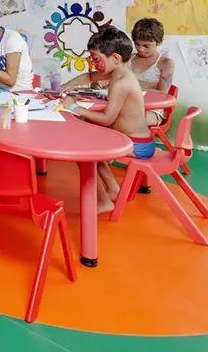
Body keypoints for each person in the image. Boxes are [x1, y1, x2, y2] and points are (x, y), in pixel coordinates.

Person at [62, 28, 150, 214]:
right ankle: (113, 189)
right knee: (86, 139)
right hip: (133, 139)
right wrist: (65, 87)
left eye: (96, 59)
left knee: (84, 151)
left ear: (115, 58)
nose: (94, 64)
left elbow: (107, 119)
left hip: (136, 145)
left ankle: (104, 201)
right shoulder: (117, 73)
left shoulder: (121, 83)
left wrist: (74, 107)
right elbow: (88, 76)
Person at [130, 18, 175, 126]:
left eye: (146, 46)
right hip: (128, 106)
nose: (140, 49)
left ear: (158, 42)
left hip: (153, 110)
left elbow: (162, 93)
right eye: (137, 44)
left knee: (126, 119)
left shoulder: (165, 63)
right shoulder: (129, 59)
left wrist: (132, 88)